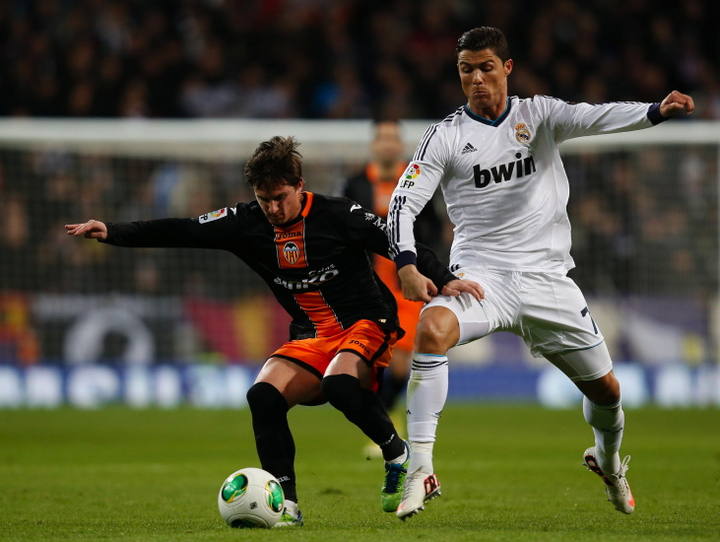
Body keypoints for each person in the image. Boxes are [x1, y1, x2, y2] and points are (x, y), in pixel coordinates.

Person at [65, 136, 482, 527]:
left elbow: (395, 240)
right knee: (262, 396)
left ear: (299, 186)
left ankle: (396, 453)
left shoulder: (337, 214)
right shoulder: (245, 222)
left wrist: (443, 277)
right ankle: (287, 504)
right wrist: (114, 232)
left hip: (367, 321)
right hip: (312, 333)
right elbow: (183, 228)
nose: (273, 209)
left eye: (280, 198)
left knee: (340, 382)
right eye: (264, 201)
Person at [386, 26, 695, 520]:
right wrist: (405, 263)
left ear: (507, 68)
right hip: (482, 279)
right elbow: (401, 204)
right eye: (467, 69)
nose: (477, 79)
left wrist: (654, 111)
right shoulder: (445, 135)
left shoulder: (540, 115)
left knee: (608, 392)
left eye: (486, 67)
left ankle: (608, 460)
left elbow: (593, 118)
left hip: (548, 280)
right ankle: (421, 469)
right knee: (431, 328)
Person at [341, 120, 444, 449]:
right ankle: (381, 421)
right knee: (365, 361)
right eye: (382, 139)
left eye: (392, 139)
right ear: (375, 145)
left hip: (406, 282)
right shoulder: (356, 184)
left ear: (399, 145)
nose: (387, 145)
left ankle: (384, 418)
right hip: (368, 283)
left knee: (401, 363)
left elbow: (434, 227)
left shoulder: (416, 179)